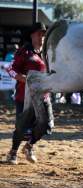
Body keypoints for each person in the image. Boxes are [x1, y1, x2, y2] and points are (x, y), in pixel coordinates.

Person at [6, 22, 48, 165]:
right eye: (39, 34)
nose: (41, 37)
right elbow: (10, 69)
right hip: (24, 97)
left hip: (43, 96)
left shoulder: (47, 53)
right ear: (32, 35)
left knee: (46, 125)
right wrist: (25, 79)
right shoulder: (24, 52)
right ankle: (13, 152)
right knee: (22, 127)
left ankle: (29, 146)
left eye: (43, 34)